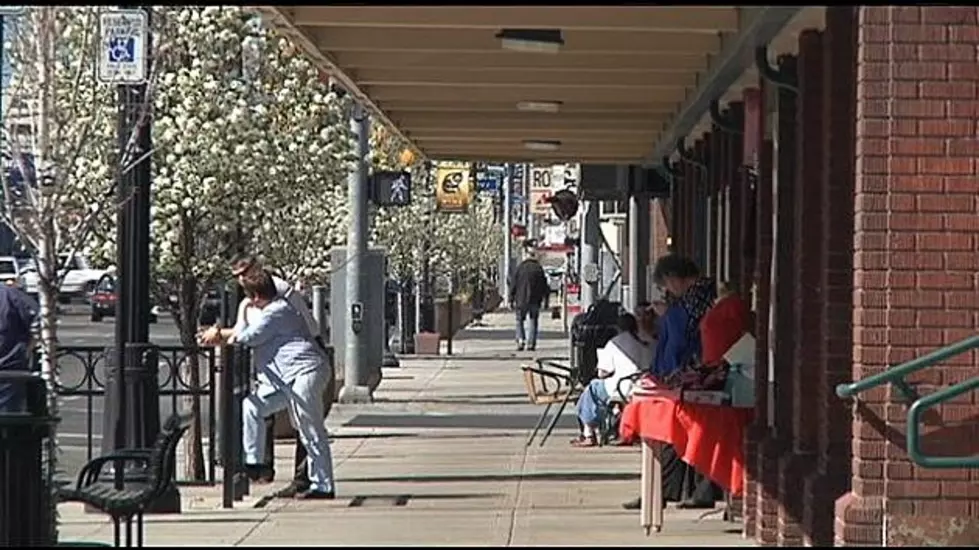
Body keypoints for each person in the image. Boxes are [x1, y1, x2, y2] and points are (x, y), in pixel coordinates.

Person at [200, 255, 334, 498]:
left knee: (309, 429)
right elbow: (244, 331)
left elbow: (249, 336)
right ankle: (254, 462)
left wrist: (218, 334)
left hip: (304, 372)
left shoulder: (277, 308)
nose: (240, 281)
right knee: (253, 406)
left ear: (257, 295)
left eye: (243, 275)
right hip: (283, 378)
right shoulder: (256, 305)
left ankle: (322, 485)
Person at [622, 254, 720, 511]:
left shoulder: (693, 300)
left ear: (673, 277)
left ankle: (662, 491)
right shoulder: (696, 298)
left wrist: (666, 317)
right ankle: (669, 490)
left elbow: (681, 337)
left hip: (686, 374)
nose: (667, 291)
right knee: (673, 434)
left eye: (667, 285)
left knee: (667, 432)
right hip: (688, 374)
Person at [570, 310, 655, 447]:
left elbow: (602, 373)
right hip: (644, 386)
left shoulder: (615, 343)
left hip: (622, 387)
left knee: (592, 388)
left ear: (618, 328)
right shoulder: (647, 342)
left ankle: (588, 433)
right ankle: (617, 422)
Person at [0, 284, 37, 413]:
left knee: (8, 421)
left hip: (9, 373)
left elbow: (40, 322)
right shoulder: (10, 294)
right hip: (10, 371)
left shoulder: (9, 295)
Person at [508, 247, 550, 351]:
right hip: (535, 300)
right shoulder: (538, 269)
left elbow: (513, 284)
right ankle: (531, 343)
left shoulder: (520, 268)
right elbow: (544, 286)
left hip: (521, 300)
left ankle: (521, 340)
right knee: (533, 320)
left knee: (519, 320)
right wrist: (546, 300)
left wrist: (510, 299)